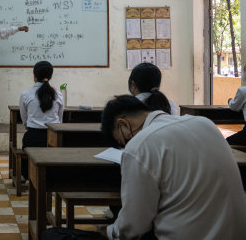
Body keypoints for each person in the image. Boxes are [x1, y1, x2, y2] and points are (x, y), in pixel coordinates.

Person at [101, 95, 246, 240]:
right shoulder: (205, 123)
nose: (126, 145)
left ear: (123, 124)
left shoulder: (139, 146)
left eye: (122, 142)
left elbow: (133, 226)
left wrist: (108, 232)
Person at [19, 61, 63, 179]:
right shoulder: (58, 95)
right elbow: (60, 119)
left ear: (34, 75)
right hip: (53, 137)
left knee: (27, 141)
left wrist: (31, 126)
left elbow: (24, 119)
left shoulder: (25, 94)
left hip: (33, 137)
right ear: (51, 76)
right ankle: (53, 176)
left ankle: (25, 176)